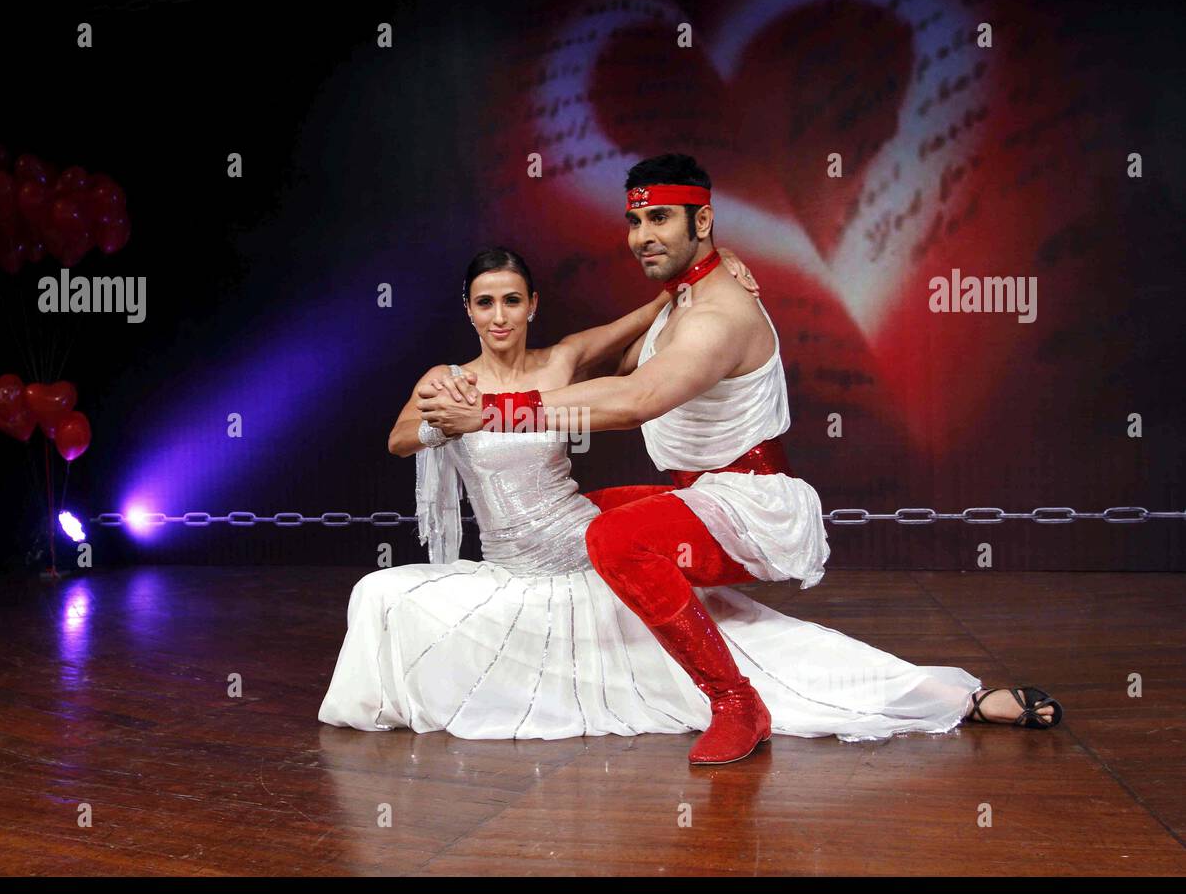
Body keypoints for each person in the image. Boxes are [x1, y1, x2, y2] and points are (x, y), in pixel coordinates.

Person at [410, 153, 1062, 764]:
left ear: (702, 219)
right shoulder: (687, 299)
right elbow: (613, 352)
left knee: (613, 539)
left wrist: (494, 413)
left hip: (747, 503)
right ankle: (929, 693)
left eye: (659, 218)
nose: (641, 235)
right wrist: (699, 270)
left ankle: (736, 702)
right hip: (703, 494)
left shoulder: (715, 317)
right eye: (635, 220)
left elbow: (638, 396)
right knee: (592, 524)